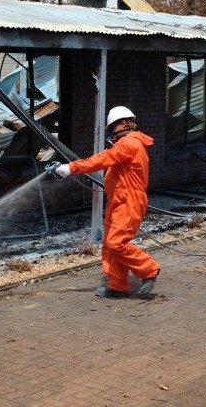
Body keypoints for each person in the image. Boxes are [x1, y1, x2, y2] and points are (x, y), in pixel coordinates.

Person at [54, 106, 161, 298]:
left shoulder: (130, 143)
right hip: (119, 201)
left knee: (116, 243)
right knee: (109, 245)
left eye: (113, 127)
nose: (112, 132)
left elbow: (103, 159)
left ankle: (149, 270)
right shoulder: (128, 143)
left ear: (124, 124)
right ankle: (117, 285)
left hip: (129, 201)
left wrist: (71, 168)